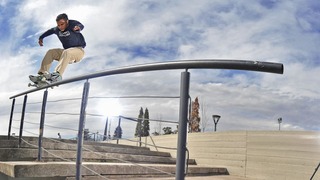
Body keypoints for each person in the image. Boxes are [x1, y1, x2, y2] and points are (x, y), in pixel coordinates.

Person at [29, 13, 86, 83]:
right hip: (66, 55)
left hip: (78, 51)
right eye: (58, 25)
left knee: (67, 51)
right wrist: (41, 37)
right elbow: (49, 31)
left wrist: (78, 27)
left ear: (67, 22)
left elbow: (81, 25)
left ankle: (57, 75)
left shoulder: (72, 24)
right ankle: (42, 75)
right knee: (51, 52)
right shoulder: (57, 29)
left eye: (62, 24)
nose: (60, 27)